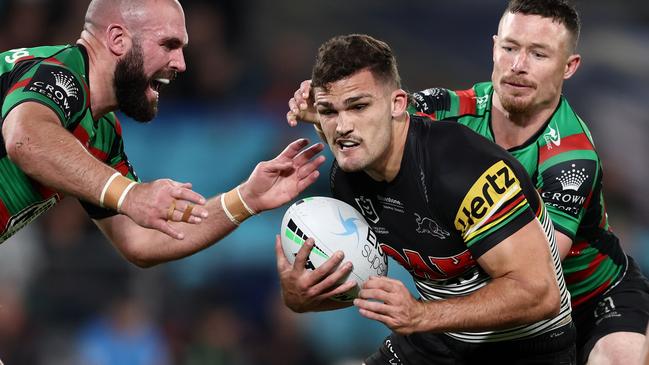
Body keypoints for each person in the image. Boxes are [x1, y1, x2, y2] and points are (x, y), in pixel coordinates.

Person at [287, 1, 649, 363]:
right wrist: (323, 110)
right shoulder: (448, 109)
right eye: (510, 48)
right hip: (474, 312)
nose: (518, 65)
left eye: (538, 54)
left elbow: (535, 264)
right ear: (494, 48)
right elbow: (379, 120)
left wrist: (424, 310)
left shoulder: (571, 158)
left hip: (590, 296)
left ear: (568, 66)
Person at [0, 0, 326, 268]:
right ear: (117, 40)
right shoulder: (59, 73)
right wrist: (129, 194)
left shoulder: (102, 132)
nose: (181, 63)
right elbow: (27, 138)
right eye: (168, 44)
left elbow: (139, 241)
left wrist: (246, 199)